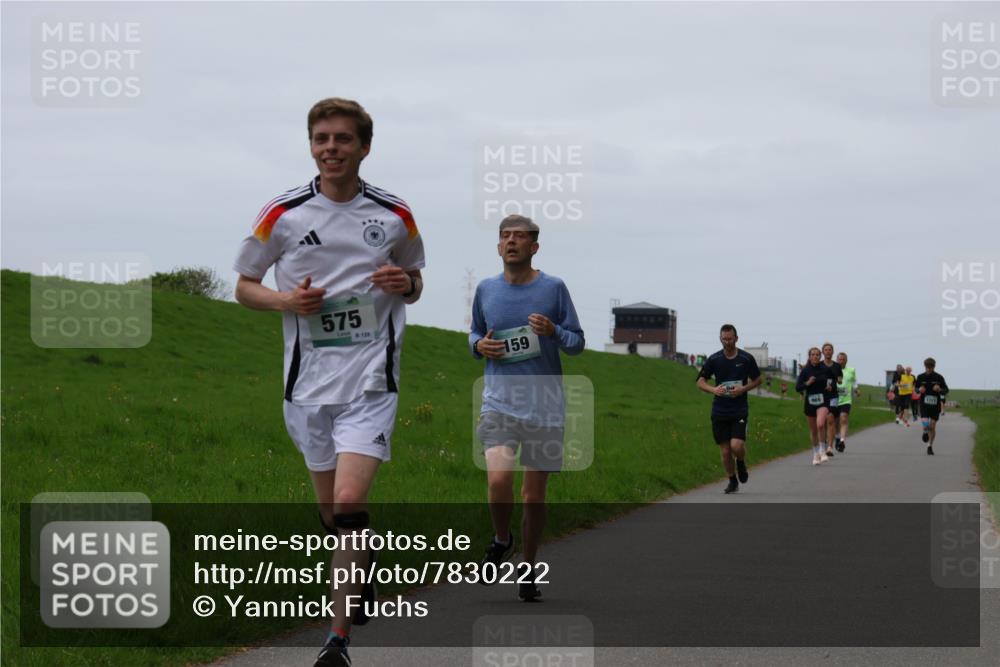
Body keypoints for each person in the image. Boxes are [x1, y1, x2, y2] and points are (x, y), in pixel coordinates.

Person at [233, 98, 425, 667]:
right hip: (307, 386)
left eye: (343, 139)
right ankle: (361, 572)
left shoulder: (394, 215)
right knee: (330, 514)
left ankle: (336, 639)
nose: (331, 148)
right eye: (321, 139)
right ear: (311, 145)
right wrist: (286, 300)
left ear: (365, 147)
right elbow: (244, 285)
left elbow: (414, 279)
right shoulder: (283, 214)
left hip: (370, 381)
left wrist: (404, 280)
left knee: (347, 502)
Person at [470, 214, 584, 601]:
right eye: (505, 236)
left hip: (545, 408)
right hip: (499, 403)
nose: (511, 242)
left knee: (533, 497)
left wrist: (555, 331)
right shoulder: (486, 289)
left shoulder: (554, 289)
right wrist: (478, 346)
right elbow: (474, 332)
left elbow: (577, 342)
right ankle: (502, 539)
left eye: (520, 237)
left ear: (534, 246)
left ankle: (530, 568)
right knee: (499, 480)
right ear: (498, 246)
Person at [696, 324, 763, 493]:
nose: (727, 342)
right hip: (719, 410)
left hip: (739, 409)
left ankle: (740, 462)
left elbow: (757, 380)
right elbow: (700, 382)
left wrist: (743, 389)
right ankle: (732, 481)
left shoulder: (746, 358)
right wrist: (714, 389)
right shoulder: (714, 359)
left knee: (737, 446)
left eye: (730, 339)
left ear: (736, 338)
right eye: (724, 339)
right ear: (720, 338)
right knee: (725, 451)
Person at [796, 347, 833, 465]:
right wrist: (807, 383)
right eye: (813, 354)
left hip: (823, 401)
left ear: (820, 356)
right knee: (813, 431)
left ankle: (823, 451)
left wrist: (829, 387)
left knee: (820, 424)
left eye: (818, 355)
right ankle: (815, 453)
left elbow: (831, 382)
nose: (816, 356)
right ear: (810, 357)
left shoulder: (825, 369)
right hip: (810, 402)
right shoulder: (805, 371)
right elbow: (798, 387)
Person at [915, 358, 949, 455]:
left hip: (935, 406)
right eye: (927, 367)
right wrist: (919, 389)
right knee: (926, 425)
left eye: (931, 367)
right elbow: (916, 389)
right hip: (924, 405)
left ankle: (929, 446)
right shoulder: (920, 377)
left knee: (932, 426)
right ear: (924, 366)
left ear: (934, 367)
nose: (929, 369)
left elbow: (946, 390)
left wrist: (939, 390)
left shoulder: (939, 377)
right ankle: (925, 432)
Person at [820, 342, 843, 458]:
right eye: (826, 350)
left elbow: (840, 379)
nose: (828, 351)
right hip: (821, 396)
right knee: (822, 422)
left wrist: (838, 380)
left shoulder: (837, 366)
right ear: (823, 352)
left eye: (830, 350)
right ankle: (823, 445)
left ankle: (830, 447)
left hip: (833, 396)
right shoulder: (819, 365)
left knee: (830, 419)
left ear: (832, 352)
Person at [834, 352, 857, 452]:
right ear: (837, 360)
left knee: (843, 419)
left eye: (843, 359)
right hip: (834, 399)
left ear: (846, 361)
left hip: (846, 400)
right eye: (839, 359)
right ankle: (837, 438)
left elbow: (854, 381)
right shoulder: (832, 369)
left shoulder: (851, 370)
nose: (841, 361)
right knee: (835, 422)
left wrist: (856, 389)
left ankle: (842, 440)